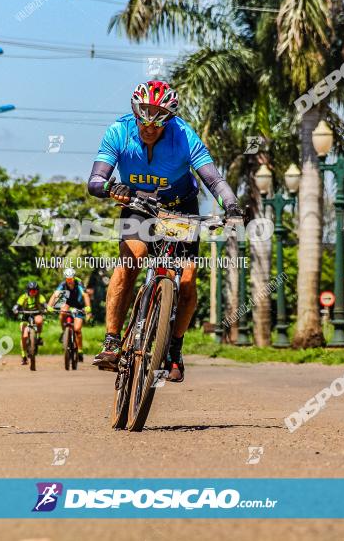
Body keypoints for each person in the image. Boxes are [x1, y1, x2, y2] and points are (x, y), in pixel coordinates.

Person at [86, 80, 240, 382]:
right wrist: (111, 187)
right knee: (132, 260)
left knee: (187, 278)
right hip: (137, 204)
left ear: (168, 120)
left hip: (180, 207)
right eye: (144, 124)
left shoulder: (184, 135)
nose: (149, 130)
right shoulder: (118, 131)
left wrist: (231, 205)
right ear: (135, 115)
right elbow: (94, 180)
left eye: (157, 126)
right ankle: (112, 341)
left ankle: (174, 350)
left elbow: (213, 179)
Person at [47, 268, 92, 362]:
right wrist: (49, 306)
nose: (69, 280)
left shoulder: (79, 283)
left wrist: (88, 307)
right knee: (62, 312)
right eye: (68, 279)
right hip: (67, 303)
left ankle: (80, 350)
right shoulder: (63, 284)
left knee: (77, 330)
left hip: (78, 305)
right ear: (65, 278)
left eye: (71, 278)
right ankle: (64, 331)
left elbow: (85, 295)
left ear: (74, 277)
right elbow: (55, 294)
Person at [12, 281, 47, 365]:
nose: (33, 292)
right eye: (31, 291)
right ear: (28, 290)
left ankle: (38, 337)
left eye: (35, 291)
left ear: (37, 291)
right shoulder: (23, 297)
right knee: (24, 336)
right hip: (25, 316)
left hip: (36, 313)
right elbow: (17, 305)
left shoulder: (40, 297)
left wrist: (46, 308)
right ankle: (23, 356)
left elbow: (45, 304)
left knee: (39, 321)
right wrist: (15, 309)